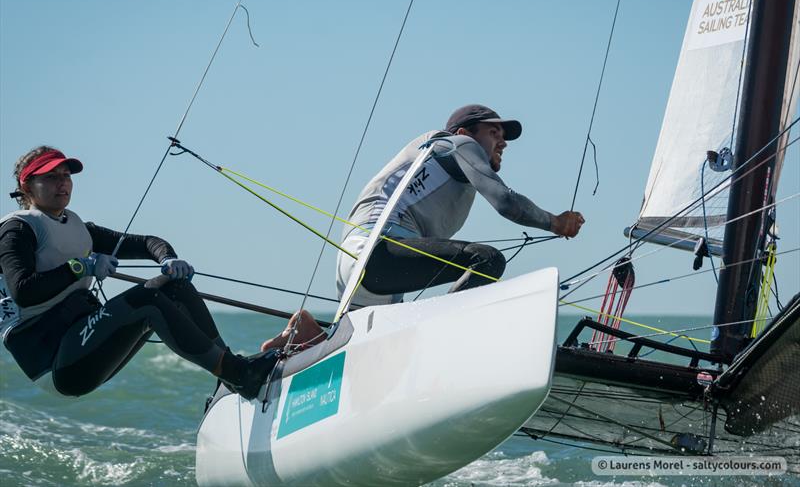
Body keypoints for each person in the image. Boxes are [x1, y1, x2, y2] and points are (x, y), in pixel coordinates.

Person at [0, 146, 278, 400]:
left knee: (173, 285)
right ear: (27, 186)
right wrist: (80, 267)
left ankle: (231, 372)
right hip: (56, 363)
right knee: (147, 299)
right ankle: (239, 374)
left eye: (66, 175)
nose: (62, 182)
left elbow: (147, 242)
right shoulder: (16, 231)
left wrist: (168, 259)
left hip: (80, 340)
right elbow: (24, 291)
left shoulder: (77, 228)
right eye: (50, 176)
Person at [336, 104, 585, 307]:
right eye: (494, 133)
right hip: (375, 252)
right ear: (465, 133)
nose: (504, 143)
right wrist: (556, 222)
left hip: (367, 270)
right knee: (486, 260)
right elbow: (507, 203)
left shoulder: (452, 172)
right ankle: (440, 328)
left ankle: (308, 333)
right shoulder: (456, 144)